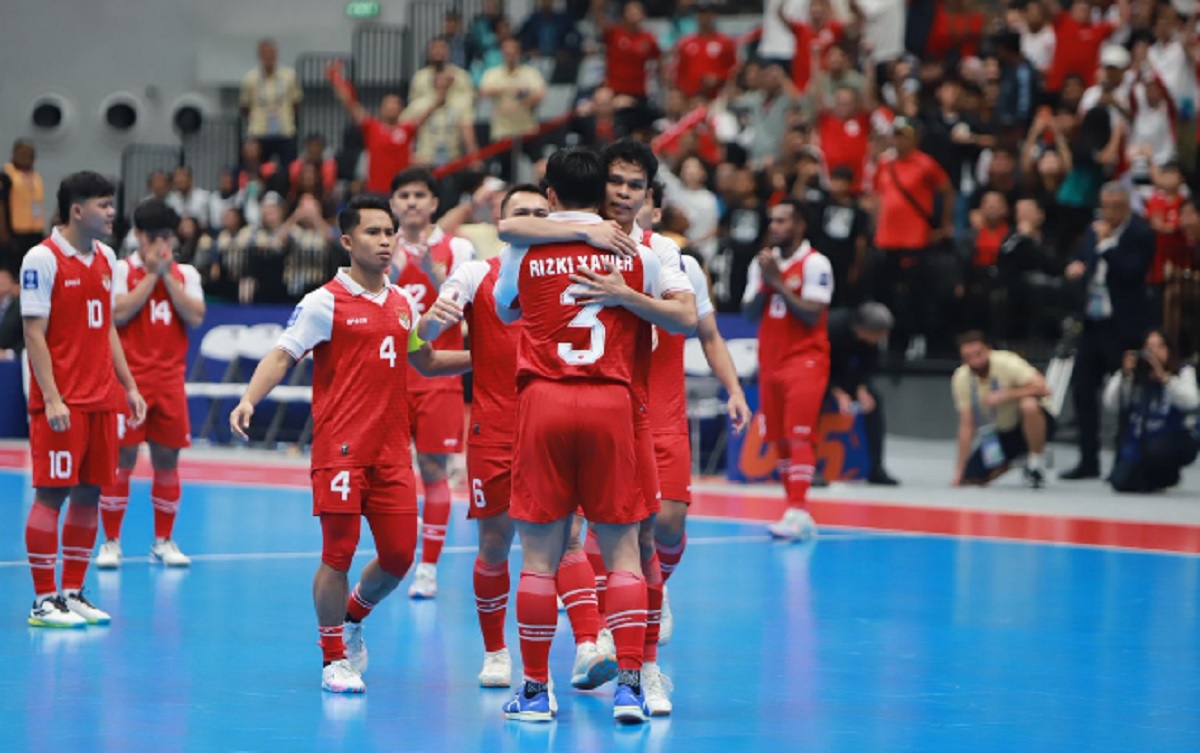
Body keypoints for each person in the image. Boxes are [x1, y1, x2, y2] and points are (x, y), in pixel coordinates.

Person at [229, 195, 470, 693]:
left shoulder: (404, 303)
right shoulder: (323, 303)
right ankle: (333, 656)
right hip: (340, 448)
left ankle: (355, 615)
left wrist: (486, 359)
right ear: (346, 241)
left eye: (390, 233)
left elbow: (424, 363)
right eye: (373, 233)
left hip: (390, 454)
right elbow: (282, 353)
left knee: (401, 556)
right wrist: (250, 397)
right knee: (338, 552)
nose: (385, 242)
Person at [496, 140, 700, 716]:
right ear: (604, 191)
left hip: (543, 400)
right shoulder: (637, 254)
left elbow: (506, 307)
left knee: (539, 556)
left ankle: (536, 691)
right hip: (613, 403)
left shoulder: (527, 252)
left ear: (553, 195)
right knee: (625, 555)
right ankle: (631, 685)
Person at [419, 184, 616, 693]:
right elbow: (423, 356)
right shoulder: (475, 274)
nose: (530, 219)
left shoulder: (572, 267)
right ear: (504, 223)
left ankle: (589, 645)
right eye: (520, 213)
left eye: (538, 212)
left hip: (552, 425)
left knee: (569, 538)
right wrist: (424, 331)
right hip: (496, 430)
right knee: (494, 543)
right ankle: (495, 652)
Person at [20, 171, 147, 628]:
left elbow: (107, 326)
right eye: (103, 205)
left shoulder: (107, 257)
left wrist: (128, 386)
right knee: (51, 494)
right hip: (62, 402)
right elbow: (32, 332)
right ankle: (42, 598)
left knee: (90, 494)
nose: (113, 213)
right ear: (77, 210)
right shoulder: (42, 258)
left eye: (112, 204)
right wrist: (52, 398)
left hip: (101, 400)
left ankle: (72, 592)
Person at [642, 181, 752, 691]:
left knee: (669, 519)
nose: (626, 203)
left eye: (638, 194)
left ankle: (657, 587)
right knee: (606, 527)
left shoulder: (682, 267)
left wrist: (733, 389)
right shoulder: (592, 256)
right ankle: (611, 634)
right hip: (607, 407)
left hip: (663, 408)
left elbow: (708, 335)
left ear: (656, 209)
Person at [95, 200, 206, 570]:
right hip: (129, 382)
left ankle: (163, 540)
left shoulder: (185, 273)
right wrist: (151, 276)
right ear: (138, 236)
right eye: (154, 237)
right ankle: (111, 541)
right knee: (121, 460)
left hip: (170, 382)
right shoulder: (120, 269)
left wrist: (166, 277)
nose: (161, 244)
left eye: (167, 237)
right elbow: (118, 313)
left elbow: (194, 315)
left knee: (167, 461)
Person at [388, 168, 477, 599]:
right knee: (388, 471)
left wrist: (430, 272)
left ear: (433, 203)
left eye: (418, 195)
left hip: (437, 374)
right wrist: (393, 271)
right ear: (392, 204)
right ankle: (395, 556)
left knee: (433, 471)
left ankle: (427, 567)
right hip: (388, 375)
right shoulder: (379, 244)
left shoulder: (457, 248)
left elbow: (464, 312)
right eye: (403, 195)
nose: (410, 202)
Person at [743, 198, 834, 541]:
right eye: (773, 220)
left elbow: (812, 313)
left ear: (799, 226)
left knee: (799, 434)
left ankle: (799, 508)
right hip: (771, 361)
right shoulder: (763, 264)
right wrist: (767, 283)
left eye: (782, 221)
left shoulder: (816, 263)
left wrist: (778, 282)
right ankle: (794, 510)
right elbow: (749, 313)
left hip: (805, 360)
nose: (774, 227)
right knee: (779, 438)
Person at [1061, 182, 1154, 480]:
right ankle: (1088, 459)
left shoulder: (1140, 233)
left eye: (1116, 207)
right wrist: (1076, 267)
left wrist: (1106, 247)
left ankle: (1121, 461)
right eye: (1105, 206)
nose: (1109, 213)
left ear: (1127, 207)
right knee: (1083, 391)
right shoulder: (1093, 228)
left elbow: (1132, 272)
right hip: (1092, 321)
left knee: (1124, 395)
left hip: (1122, 326)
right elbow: (1082, 258)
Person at [951, 331, 1056, 488]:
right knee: (972, 477)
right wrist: (959, 471)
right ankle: (1011, 462)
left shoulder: (1007, 362)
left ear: (988, 350)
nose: (975, 361)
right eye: (968, 357)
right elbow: (966, 425)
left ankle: (1035, 464)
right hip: (1000, 431)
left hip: (1033, 422)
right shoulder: (961, 378)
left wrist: (1007, 394)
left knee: (1029, 405)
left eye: (978, 354)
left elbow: (1043, 389)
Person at [1104, 330, 1199, 493]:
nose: (1154, 352)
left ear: (1169, 349)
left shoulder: (1182, 371)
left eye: (1160, 346)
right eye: (1149, 347)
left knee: (1156, 449)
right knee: (1120, 482)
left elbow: (1191, 401)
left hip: (1174, 437)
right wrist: (1124, 375)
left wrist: (1165, 378)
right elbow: (1111, 403)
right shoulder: (1136, 374)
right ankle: (1149, 477)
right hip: (1140, 438)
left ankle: (1167, 474)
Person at [827, 303, 899, 485]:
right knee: (815, 401)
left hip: (848, 375)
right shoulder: (832, 327)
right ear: (862, 330)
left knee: (875, 402)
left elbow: (868, 365)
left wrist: (862, 388)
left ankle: (876, 468)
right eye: (880, 334)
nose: (883, 338)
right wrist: (836, 391)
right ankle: (812, 467)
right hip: (819, 373)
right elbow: (820, 363)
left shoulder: (871, 339)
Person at [240, 38, 304, 166]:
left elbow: (296, 102)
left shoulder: (289, 75)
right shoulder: (250, 78)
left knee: (288, 170)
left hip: (285, 131)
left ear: (276, 54)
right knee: (259, 171)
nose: (268, 57)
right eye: (265, 54)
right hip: (259, 132)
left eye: (271, 53)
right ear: (260, 56)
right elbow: (245, 106)